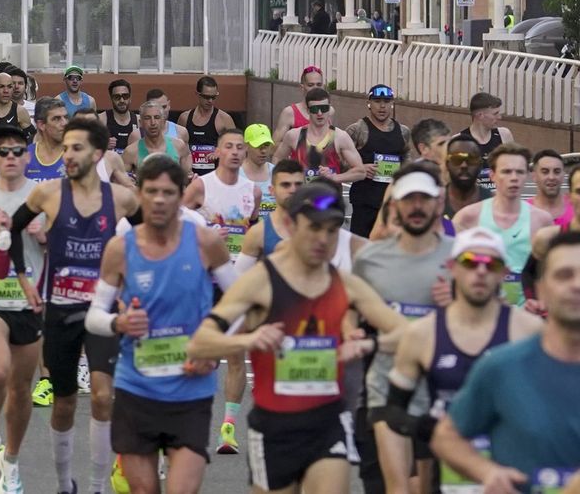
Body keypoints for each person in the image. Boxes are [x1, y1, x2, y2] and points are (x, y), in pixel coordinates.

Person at [189, 179, 406, 494]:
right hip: (274, 428)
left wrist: (368, 344)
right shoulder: (262, 281)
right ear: (291, 225)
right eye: (314, 228)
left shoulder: (345, 284)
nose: (323, 240)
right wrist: (247, 341)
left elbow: (406, 333)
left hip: (327, 423)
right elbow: (201, 342)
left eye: (331, 231)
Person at [4, 116, 139, 494]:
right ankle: (65, 484)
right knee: (63, 403)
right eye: (65, 148)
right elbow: (12, 228)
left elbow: (149, 239)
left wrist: (133, 287)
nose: (67, 155)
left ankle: (97, 486)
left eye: (76, 148)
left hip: (103, 311)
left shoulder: (122, 198)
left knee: (101, 396)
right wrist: (23, 277)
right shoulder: (47, 194)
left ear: (97, 154)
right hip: (60, 309)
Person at [87, 155, 236, 494]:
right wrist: (119, 322)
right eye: (151, 191)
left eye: (168, 192)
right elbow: (94, 317)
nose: (158, 200)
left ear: (181, 196)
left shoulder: (205, 242)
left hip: (191, 389)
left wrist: (212, 342)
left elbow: (239, 301)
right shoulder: (120, 248)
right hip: (137, 389)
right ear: (139, 195)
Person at [383, 226, 543, 494]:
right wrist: (433, 430)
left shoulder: (529, 331)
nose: (480, 271)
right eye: (470, 262)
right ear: (452, 268)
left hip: (510, 478)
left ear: (503, 273)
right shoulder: (422, 334)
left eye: (491, 264)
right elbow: (393, 412)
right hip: (447, 477)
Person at [430, 234, 580, 494]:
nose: (576, 285)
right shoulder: (501, 367)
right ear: (541, 289)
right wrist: (486, 471)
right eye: (564, 275)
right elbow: (446, 437)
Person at [349, 164, 455, 494]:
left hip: (440, 389)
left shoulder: (460, 257)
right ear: (394, 205)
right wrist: (350, 332)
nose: (417, 207)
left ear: (438, 203)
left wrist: (456, 304)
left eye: (424, 199)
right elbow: (350, 309)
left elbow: (485, 320)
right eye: (409, 199)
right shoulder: (370, 259)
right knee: (394, 487)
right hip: (386, 383)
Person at [0, 122, 45, 485]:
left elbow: (60, 242)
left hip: (31, 301)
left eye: (17, 151)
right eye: (3, 151)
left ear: (27, 157)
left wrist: (44, 235)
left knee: (20, 388)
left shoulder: (42, 195)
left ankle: (11, 460)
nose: (11, 157)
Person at [182, 127, 259, 455]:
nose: (235, 152)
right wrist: (206, 236)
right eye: (228, 146)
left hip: (236, 283)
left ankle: (228, 428)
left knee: (235, 354)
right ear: (217, 152)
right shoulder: (201, 185)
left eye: (240, 147)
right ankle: (187, 420)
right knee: (200, 354)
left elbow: (250, 229)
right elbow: (177, 222)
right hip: (205, 281)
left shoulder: (253, 190)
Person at [452, 144, 553, 308]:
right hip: (481, 312)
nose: (514, 178)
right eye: (506, 171)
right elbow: (451, 269)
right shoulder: (467, 217)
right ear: (492, 175)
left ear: (527, 175)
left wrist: (540, 302)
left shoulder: (542, 220)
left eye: (519, 172)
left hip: (527, 314)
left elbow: (551, 273)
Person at [347, 84, 411, 239]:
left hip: (392, 203)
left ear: (392, 103)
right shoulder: (357, 130)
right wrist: (360, 168)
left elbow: (408, 164)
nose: (382, 106)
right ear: (368, 103)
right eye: (377, 101)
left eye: (387, 101)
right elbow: (340, 163)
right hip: (364, 203)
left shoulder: (403, 131)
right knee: (361, 247)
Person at [276, 87, 365, 184]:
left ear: (329, 109)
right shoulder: (293, 136)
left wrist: (334, 177)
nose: (319, 113)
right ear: (308, 111)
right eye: (314, 109)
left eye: (324, 108)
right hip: (301, 193)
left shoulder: (340, 137)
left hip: (330, 193)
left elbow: (360, 172)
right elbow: (277, 159)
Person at [177, 75, 233, 177]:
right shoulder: (184, 118)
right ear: (197, 94)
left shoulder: (224, 119)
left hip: (216, 176)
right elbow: (177, 147)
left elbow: (236, 146)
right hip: (190, 176)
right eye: (206, 97)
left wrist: (220, 152)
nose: (210, 101)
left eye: (214, 97)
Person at [454, 92, 512, 182]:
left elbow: (514, 167)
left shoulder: (504, 135)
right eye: (495, 114)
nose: (499, 117)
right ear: (480, 115)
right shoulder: (458, 141)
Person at [271, 65, 326, 149]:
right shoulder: (290, 113)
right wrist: (299, 149)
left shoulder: (329, 111)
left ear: (323, 87)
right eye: (310, 85)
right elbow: (273, 146)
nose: (315, 89)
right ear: (302, 87)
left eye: (319, 84)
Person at [529, 148, 573, 229]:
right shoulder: (523, 212)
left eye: (557, 172)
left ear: (563, 175)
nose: (551, 177)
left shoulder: (576, 207)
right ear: (534, 176)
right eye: (545, 172)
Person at [102, 78, 137, 152]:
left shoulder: (139, 120)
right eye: (117, 97)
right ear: (111, 98)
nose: (122, 100)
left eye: (125, 96)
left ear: (130, 97)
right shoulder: (102, 119)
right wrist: (102, 145)